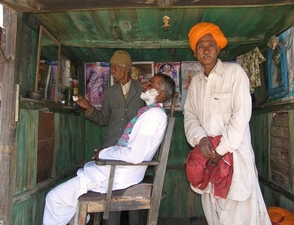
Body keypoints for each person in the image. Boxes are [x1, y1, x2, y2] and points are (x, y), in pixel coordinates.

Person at [43, 73, 176, 225]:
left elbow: (134, 155)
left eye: (151, 84)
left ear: (161, 94)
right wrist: (108, 151)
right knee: (66, 202)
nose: (144, 85)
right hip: (120, 172)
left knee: (54, 199)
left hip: (117, 175)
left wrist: (104, 153)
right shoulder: (152, 113)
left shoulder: (152, 116)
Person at [184, 22, 271, 225]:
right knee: (214, 213)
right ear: (195, 52)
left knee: (241, 216)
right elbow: (190, 116)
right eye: (200, 46)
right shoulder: (196, 83)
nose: (205, 49)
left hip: (235, 157)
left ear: (218, 48)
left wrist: (221, 150)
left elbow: (240, 117)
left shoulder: (235, 73)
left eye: (210, 45)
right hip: (208, 160)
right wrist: (201, 139)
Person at [76, 50, 146, 147]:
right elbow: (104, 120)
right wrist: (88, 107)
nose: (112, 72)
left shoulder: (142, 88)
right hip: (113, 144)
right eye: (111, 68)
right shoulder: (110, 92)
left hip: (135, 144)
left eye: (114, 68)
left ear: (126, 68)